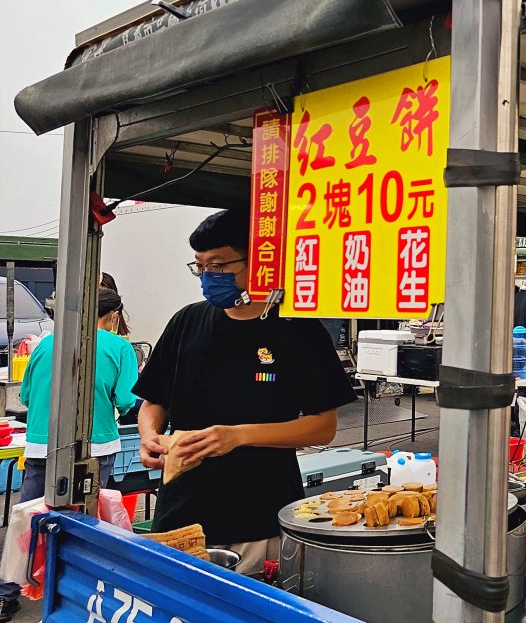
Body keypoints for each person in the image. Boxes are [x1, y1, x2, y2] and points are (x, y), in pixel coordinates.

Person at [135, 209, 354, 575]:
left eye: (218, 265)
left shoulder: (297, 330)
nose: (207, 277)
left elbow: (322, 427)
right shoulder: (186, 321)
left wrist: (238, 436)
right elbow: (154, 400)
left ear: (259, 263)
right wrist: (150, 437)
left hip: (258, 518)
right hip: (179, 513)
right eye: (200, 267)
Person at [18, 287, 139, 502]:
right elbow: (125, 399)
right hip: (96, 443)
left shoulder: (45, 343)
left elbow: (26, 395)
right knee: (82, 513)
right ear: (114, 315)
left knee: (31, 513)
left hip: (40, 442)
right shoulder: (121, 348)